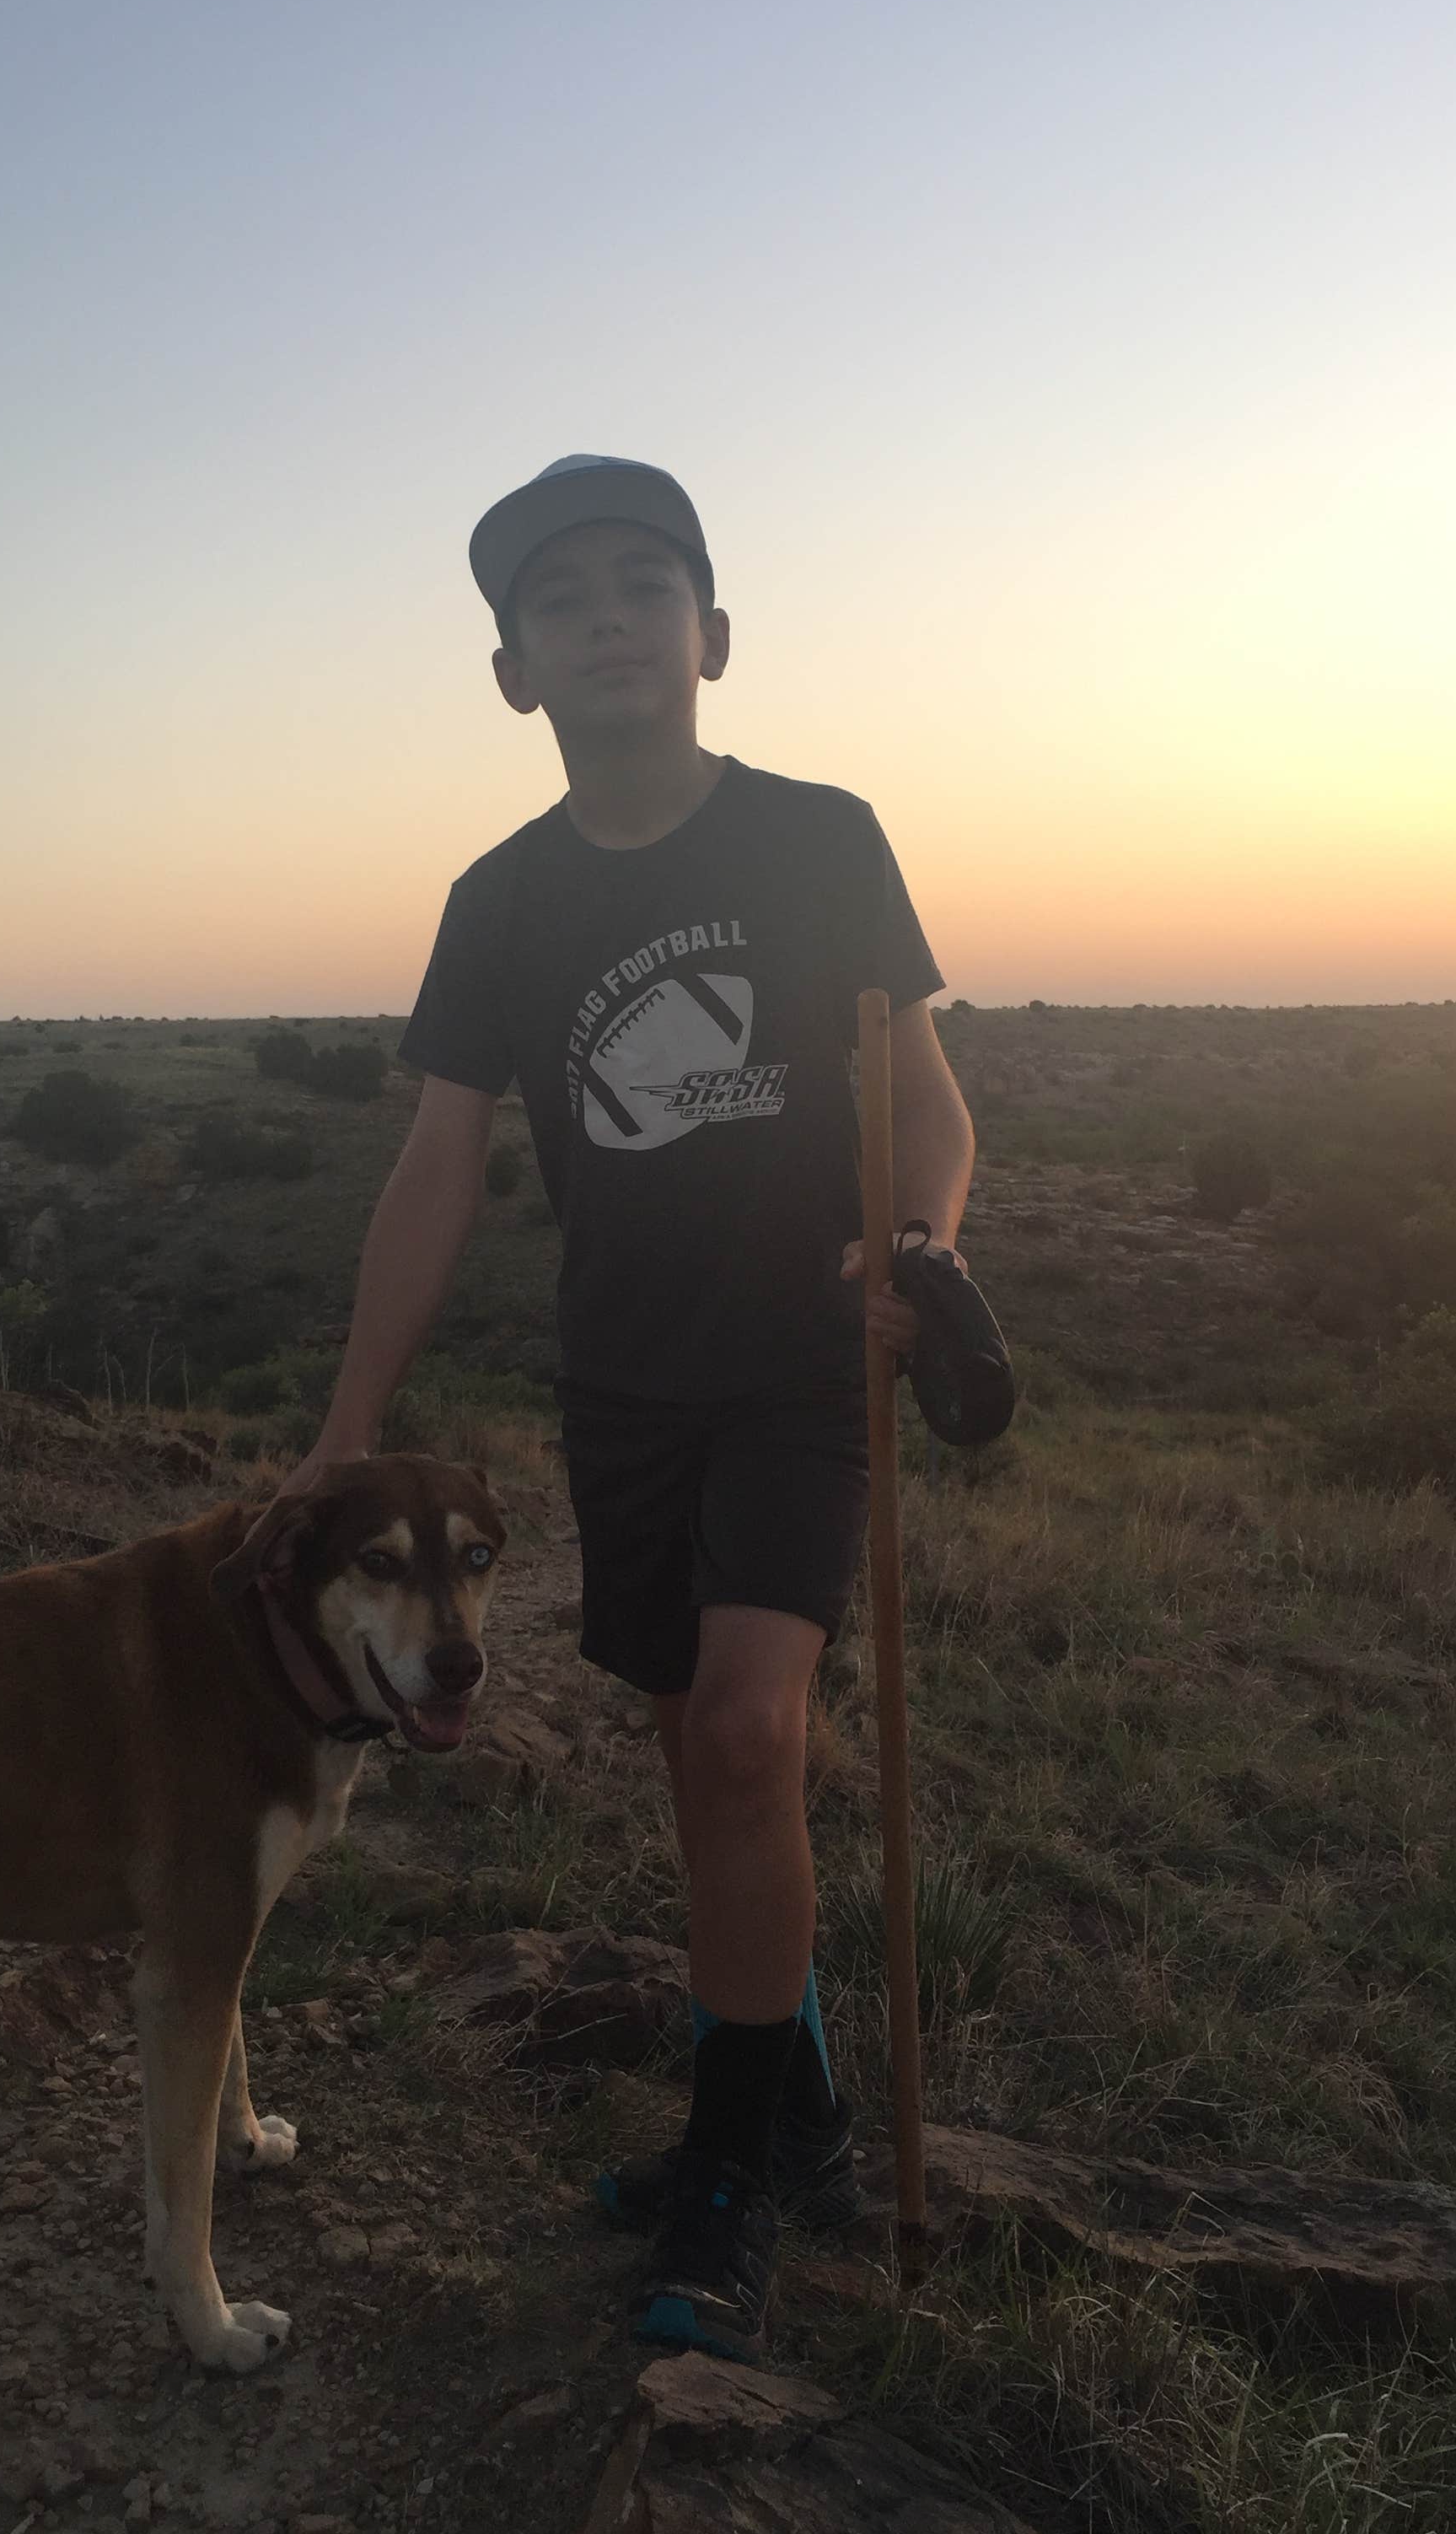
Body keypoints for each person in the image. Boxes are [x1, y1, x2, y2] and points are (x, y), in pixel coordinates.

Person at [279, 456, 975, 2359]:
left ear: (711, 639)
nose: (604, 614)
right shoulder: (498, 903)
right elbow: (438, 1168)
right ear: (514, 670)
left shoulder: (820, 838)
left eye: (643, 584)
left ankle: (729, 2172)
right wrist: (350, 1425)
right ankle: (804, 2105)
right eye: (561, 596)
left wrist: (917, 1243)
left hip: (803, 1368)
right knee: (690, 1748)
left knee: (749, 1736)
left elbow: (926, 1090)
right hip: (625, 1383)